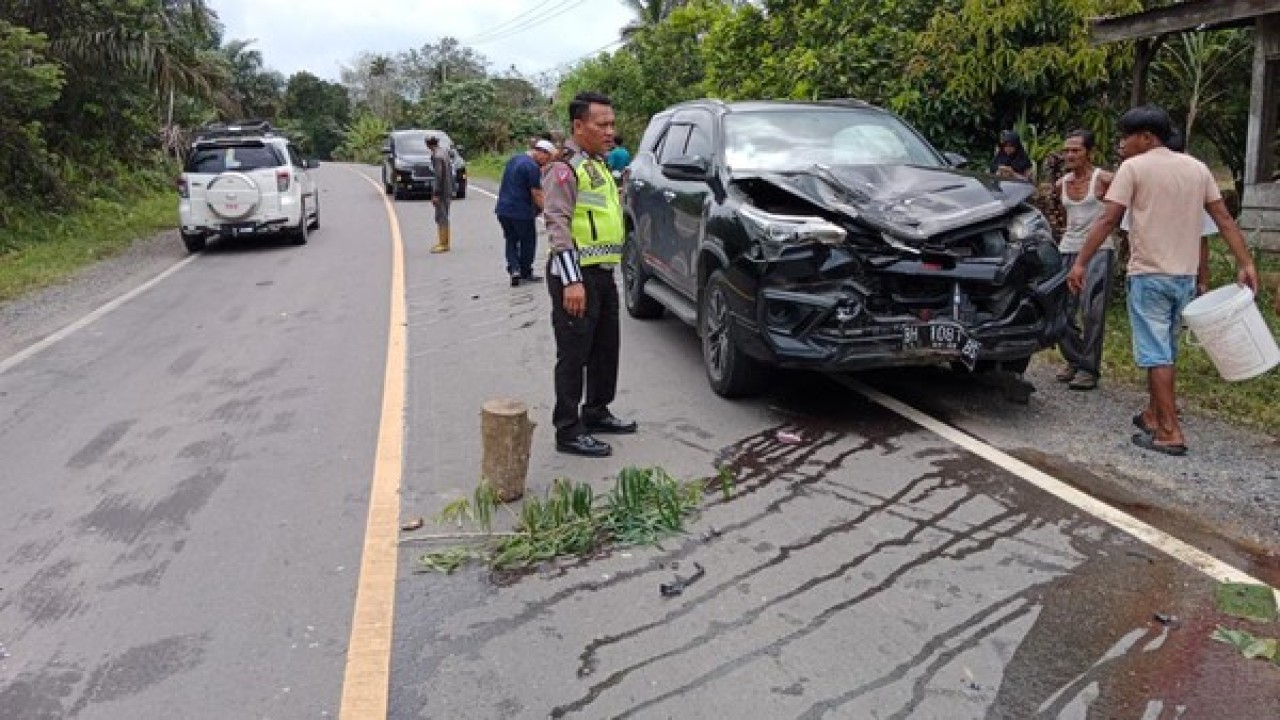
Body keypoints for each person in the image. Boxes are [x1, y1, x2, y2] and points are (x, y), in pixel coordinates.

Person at [1068, 105, 1259, 456]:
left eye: (1127, 137)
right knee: (1166, 350)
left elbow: (1108, 219)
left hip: (1149, 275)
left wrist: (1080, 262)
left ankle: (1170, 432)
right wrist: (1245, 263)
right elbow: (1224, 220)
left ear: (1146, 137)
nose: (1122, 144)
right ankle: (1154, 416)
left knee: (1156, 354)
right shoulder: (1197, 168)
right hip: (1183, 278)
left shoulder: (1134, 169)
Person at [543, 91, 636, 458]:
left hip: (602, 273)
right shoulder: (563, 167)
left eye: (612, 124)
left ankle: (596, 411)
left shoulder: (598, 164)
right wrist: (572, 281)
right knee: (574, 354)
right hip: (576, 276)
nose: (610, 131)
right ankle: (567, 429)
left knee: (604, 349)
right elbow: (557, 224)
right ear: (578, 126)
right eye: (602, 125)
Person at [1054, 129, 1115, 391]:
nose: (1070, 155)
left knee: (1092, 311)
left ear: (1088, 152)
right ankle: (1075, 358)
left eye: (1075, 150)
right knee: (1062, 310)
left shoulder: (1104, 179)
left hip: (1099, 250)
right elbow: (1061, 217)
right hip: (1068, 248)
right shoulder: (1062, 184)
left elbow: (1117, 211)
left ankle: (1089, 368)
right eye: (1066, 150)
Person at [496, 139, 556, 286]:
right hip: (521, 212)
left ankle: (514, 269)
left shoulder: (514, 159)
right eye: (547, 158)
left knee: (511, 239)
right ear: (541, 152)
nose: (546, 162)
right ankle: (525, 272)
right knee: (528, 241)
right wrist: (546, 211)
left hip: (503, 209)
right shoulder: (532, 167)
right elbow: (536, 193)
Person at [427, 135, 455, 253]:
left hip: (442, 190)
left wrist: (436, 193)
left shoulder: (437, 156)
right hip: (448, 188)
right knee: (444, 215)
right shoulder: (444, 152)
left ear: (427, 144)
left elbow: (438, 176)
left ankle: (444, 244)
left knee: (441, 216)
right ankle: (445, 242)